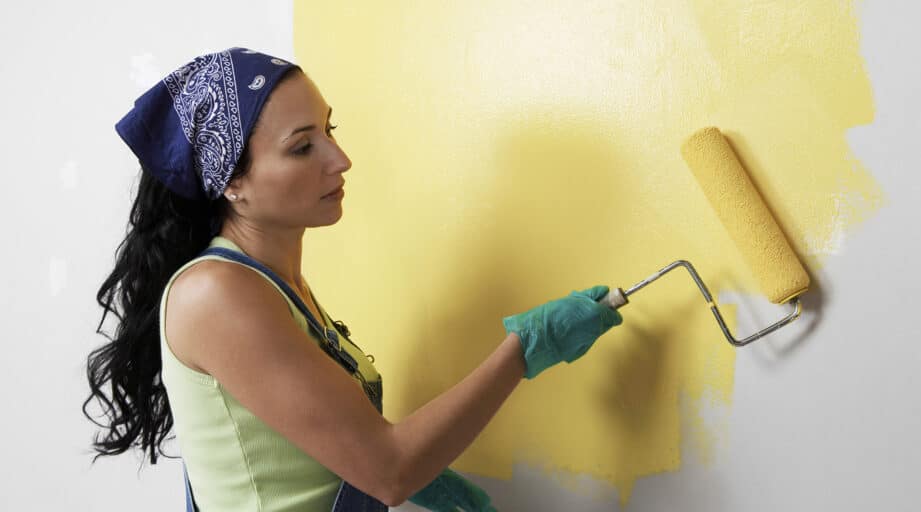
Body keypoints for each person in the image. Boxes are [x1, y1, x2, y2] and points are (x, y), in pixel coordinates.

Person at [84, 47, 623, 512]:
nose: (340, 160)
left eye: (329, 130)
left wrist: (398, 465)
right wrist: (524, 350)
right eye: (302, 147)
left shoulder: (275, 283)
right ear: (233, 182)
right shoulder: (218, 294)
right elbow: (389, 470)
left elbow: (330, 451)